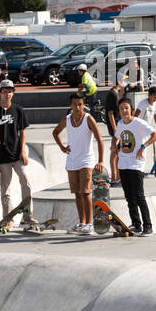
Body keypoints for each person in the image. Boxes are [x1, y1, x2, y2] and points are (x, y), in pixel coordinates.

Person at [52, 92, 105, 235]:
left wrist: (100, 160)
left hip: (86, 161)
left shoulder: (89, 119)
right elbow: (55, 132)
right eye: (75, 104)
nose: (77, 107)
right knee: (77, 194)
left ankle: (89, 224)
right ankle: (81, 222)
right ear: (71, 105)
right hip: (72, 161)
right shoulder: (67, 119)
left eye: (80, 104)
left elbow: (99, 139)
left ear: (84, 105)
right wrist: (63, 147)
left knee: (85, 192)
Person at [114, 95, 156, 235]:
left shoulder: (138, 123)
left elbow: (155, 135)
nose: (124, 111)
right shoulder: (120, 123)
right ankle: (136, 224)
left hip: (136, 164)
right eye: (121, 109)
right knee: (129, 197)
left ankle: (148, 226)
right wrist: (115, 147)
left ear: (132, 110)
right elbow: (116, 137)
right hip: (123, 164)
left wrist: (143, 147)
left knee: (139, 196)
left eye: (126, 108)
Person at [0, 79, 33, 229]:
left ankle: (28, 215)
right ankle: (8, 219)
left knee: (25, 181)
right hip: (1, 157)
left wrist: (23, 151)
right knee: (5, 189)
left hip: (16, 155)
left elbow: (22, 132)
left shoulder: (18, 110)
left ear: (13, 93)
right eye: (4, 91)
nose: (7, 94)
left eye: (10, 91)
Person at [104, 77, 127, 184]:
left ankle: (117, 176)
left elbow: (120, 102)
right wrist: (115, 130)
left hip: (118, 125)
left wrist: (123, 89)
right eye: (124, 81)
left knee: (118, 152)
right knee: (114, 152)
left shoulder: (116, 93)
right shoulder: (112, 94)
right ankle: (114, 177)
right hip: (115, 126)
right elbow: (110, 113)